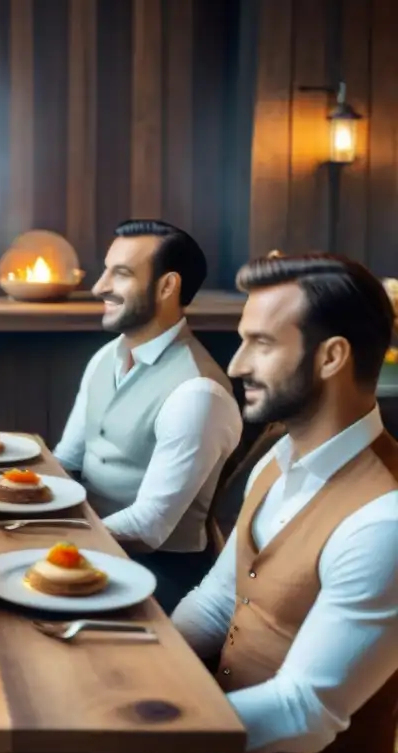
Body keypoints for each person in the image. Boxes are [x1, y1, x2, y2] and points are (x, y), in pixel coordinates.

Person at [172, 253, 398, 753]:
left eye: (263, 343)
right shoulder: (277, 455)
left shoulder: (385, 520)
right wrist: (139, 664)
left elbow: (305, 712)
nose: (235, 365)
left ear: (331, 357)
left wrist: (143, 721)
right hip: (211, 735)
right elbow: (217, 600)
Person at [55, 219, 243, 611]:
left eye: (120, 274)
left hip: (159, 578)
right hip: (91, 551)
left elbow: (149, 528)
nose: (98, 286)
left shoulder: (198, 393)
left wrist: (58, 541)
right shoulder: (105, 358)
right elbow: (67, 462)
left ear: (167, 287)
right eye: (106, 269)